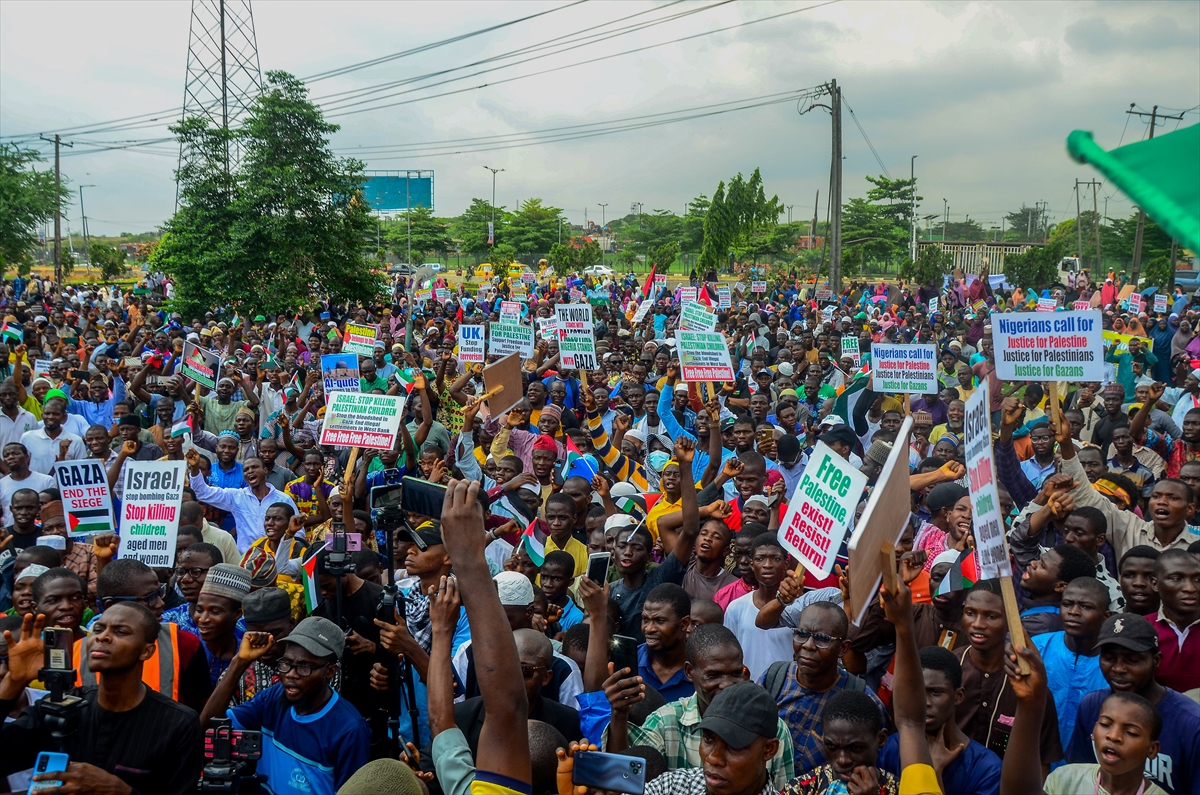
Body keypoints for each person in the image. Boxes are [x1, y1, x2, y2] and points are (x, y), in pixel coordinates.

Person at [0, 608, 204, 795]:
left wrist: (120, 791)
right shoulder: (59, 709)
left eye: (121, 632)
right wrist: (13, 682)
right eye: (98, 629)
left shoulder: (178, 723)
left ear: (146, 651)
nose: (103, 637)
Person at [604, 622, 797, 788]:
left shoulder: (772, 728)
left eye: (736, 674)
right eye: (714, 675)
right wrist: (619, 715)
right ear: (689, 672)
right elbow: (624, 777)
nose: (727, 685)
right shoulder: (667, 721)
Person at [199, 615, 371, 794]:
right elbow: (207, 727)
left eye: (304, 667)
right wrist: (239, 662)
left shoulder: (350, 730)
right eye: (286, 663)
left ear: (330, 671)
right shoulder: (272, 698)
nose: (290, 674)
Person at [1000, 641, 1168, 795]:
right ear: (1093, 733)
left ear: (1152, 749)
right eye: (1105, 724)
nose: (1113, 736)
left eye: (1131, 732)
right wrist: (1030, 702)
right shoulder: (1065, 779)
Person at [1066, 612, 1200, 795]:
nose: (1119, 669)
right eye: (1109, 658)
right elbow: (1080, 775)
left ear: (1156, 661)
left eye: (1133, 660)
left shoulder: (1191, 722)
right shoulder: (1092, 705)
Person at [760, 600, 887, 773]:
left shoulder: (862, 701)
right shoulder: (775, 678)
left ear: (843, 648)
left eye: (822, 639)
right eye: (802, 634)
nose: (808, 645)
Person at [878, 646, 1002, 795]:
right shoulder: (890, 749)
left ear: (958, 696)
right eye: (917, 692)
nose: (924, 702)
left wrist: (934, 775)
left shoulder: (987, 769)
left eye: (935, 692)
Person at [640, 681, 783, 795]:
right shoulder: (675, 787)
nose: (713, 758)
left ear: (768, 750)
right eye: (708, 739)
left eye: (733, 746)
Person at [1031, 576, 1112, 752]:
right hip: (1039, 759)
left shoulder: (1113, 663)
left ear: (1105, 616)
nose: (1073, 612)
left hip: (1090, 767)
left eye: (1086, 607)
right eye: (1067, 604)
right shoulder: (1037, 647)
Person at [185, 447, 298, 554]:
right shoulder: (237, 496)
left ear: (265, 470)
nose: (250, 471)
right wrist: (195, 468)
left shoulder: (284, 499)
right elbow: (202, 492)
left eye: (254, 467)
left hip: (277, 557)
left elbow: (298, 531)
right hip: (246, 559)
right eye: (246, 470)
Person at [723, 534, 797, 681]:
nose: (767, 565)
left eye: (775, 559)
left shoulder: (798, 608)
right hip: (748, 691)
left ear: (786, 564)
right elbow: (728, 655)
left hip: (787, 690)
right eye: (760, 558)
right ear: (752, 564)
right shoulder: (736, 608)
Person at [1148, 549, 1200, 694]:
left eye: (1197, 579)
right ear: (1154, 584)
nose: (1190, 588)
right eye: (1176, 578)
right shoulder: (1142, 629)